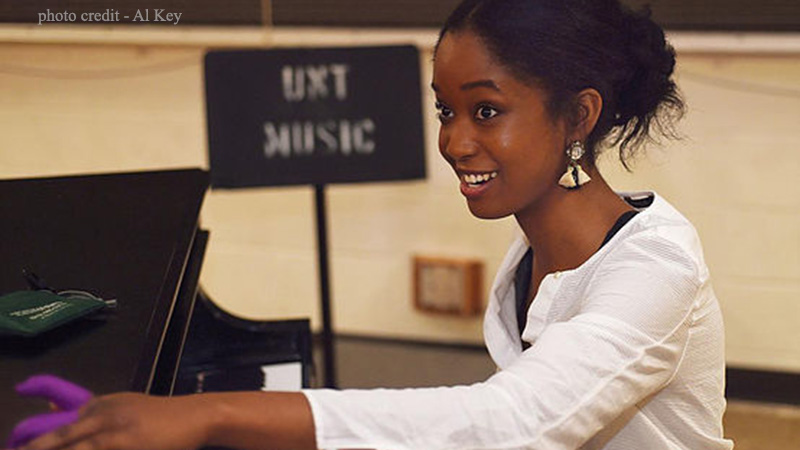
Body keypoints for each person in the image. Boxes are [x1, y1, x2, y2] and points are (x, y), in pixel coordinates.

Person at [10, 0, 733, 449]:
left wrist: (212, 417)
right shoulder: (527, 260)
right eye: (445, 109)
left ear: (577, 116)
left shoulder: (653, 269)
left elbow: (516, 423)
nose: (453, 141)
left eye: (486, 110)